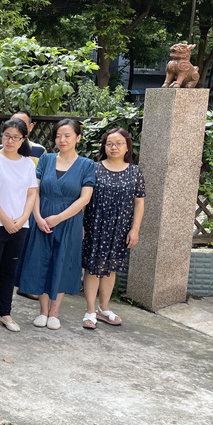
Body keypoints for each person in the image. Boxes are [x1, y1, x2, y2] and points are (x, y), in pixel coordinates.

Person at [14, 119, 96, 330]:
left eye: (67, 135)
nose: (62, 140)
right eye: (58, 136)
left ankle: (55, 312)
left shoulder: (87, 165)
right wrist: (37, 216)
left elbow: (85, 198)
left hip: (69, 221)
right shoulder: (46, 159)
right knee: (41, 261)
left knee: (62, 262)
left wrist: (59, 218)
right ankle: (43, 311)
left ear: (78, 137)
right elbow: (34, 190)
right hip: (41, 218)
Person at [0, 118, 38, 334]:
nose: (10, 141)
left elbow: (32, 193)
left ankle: (5, 314)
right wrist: (5, 219)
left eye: (15, 137)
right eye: (6, 136)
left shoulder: (27, 164)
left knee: (10, 273)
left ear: (23, 139)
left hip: (20, 226)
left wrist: (22, 219)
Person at [81, 128, 145, 329]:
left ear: (127, 147)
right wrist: (80, 224)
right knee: (92, 268)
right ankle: (90, 310)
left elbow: (139, 202)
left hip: (120, 228)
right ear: (104, 147)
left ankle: (104, 308)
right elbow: (83, 198)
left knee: (110, 269)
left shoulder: (135, 172)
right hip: (94, 225)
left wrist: (135, 229)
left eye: (118, 143)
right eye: (109, 143)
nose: (114, 147)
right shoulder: (94, 168)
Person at [0, 110, 46, 301]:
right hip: (3, 208)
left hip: (27, 208)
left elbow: (37, 182)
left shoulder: (39, 151)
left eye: (22, 124)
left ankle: (24, 285)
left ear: (29, 128)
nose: (16, 127)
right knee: (0, 252)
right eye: (13, 122)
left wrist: (29, 212)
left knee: (25, 249)